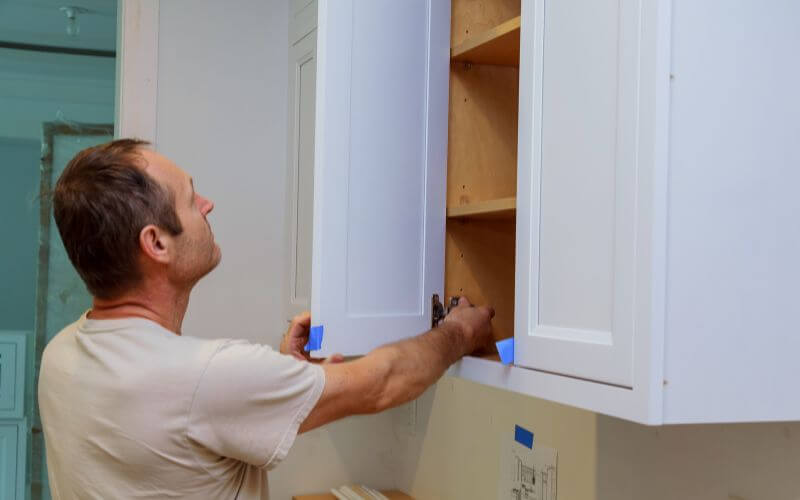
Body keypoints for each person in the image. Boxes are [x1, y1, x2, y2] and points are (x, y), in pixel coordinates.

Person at [38, 139, 494, 499]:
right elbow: (382, 383)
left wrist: (280, 380)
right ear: (156, 243)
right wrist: (456, 331)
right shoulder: (205, 378)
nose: (208, 204)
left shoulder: (60, 356)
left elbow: (184, 436)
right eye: (191, 198)